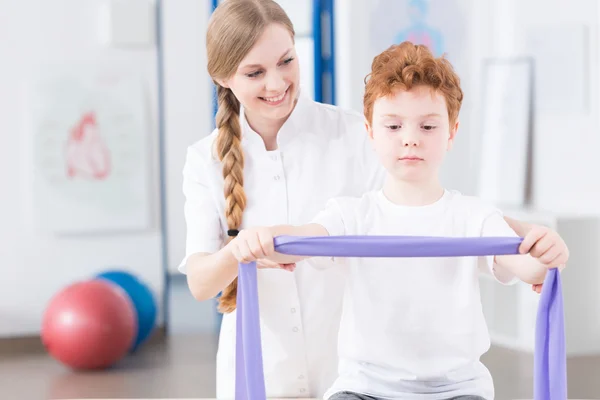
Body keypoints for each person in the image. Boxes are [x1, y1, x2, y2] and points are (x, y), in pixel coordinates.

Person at [179, 0, 569, 398]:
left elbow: (424, 206)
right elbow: (206, 278)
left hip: (346, 366)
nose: (277, 83)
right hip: (267, 366)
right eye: (255, 72)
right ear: (223, 77)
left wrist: (528, 241)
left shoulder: (357, 133)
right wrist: (246, 247)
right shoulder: (205, 159)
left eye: (286, 61)